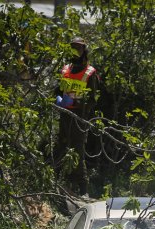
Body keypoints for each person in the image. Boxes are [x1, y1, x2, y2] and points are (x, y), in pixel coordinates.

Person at [54, 37, 101, 196]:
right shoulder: (65, 69)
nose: (75, 50)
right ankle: (56, 182)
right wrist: (59, 100)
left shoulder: (89, 72)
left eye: (79, 48)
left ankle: (83, 189)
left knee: (78, 152)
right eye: (73, 47)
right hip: (64, 114)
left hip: (80, 117)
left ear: (84, 51)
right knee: (61, 146)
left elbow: (93, 99)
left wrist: (77, 103)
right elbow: (58, 90)